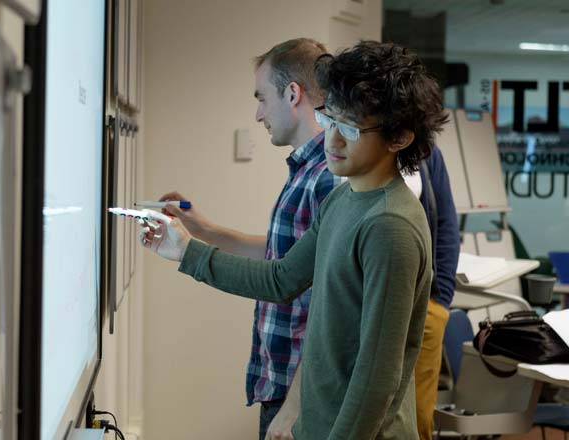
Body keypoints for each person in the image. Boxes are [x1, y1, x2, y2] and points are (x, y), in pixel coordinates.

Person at [142, 40, 449, 438]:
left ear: (399, 138)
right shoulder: (343, 200)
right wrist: (184, 250)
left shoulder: (391, 225)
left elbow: (377, 377)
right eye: (331, 120)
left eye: (351, 128)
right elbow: (281, 279)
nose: (333, 141)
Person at [157, 38, 342, 440]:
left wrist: (295, 406)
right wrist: (202, 228)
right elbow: (286, 256)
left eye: (262, 97)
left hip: (300, 391)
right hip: (282, 381)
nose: (258, 113)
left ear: (292, 93)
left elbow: (320, 300)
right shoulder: (305, 172)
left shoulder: (327, 178)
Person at [403, 148, 460, 440]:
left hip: (425, 306)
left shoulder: (427, 154)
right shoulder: (353, 147)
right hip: (368, 308)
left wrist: (441, 300)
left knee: (420, 421)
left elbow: (447, 222)